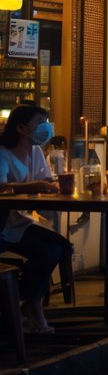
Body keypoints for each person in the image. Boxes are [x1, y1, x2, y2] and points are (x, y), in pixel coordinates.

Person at [0, 105, 72, 333]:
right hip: (3, 225)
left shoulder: (36, 151)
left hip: (22, 221)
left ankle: (24, 302)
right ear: (21, 127)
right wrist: (35, 185)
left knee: (62, 247)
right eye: (40, 121)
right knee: (48, 251)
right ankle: (22, 304)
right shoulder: (3, 152)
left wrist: (53, 185)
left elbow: (46, 180)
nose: (46, 127)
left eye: (46, 121)